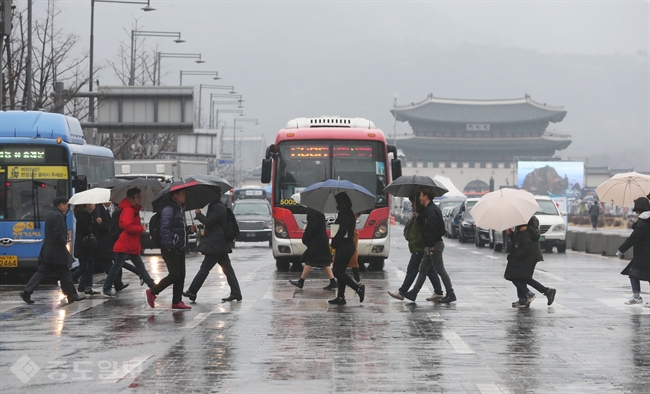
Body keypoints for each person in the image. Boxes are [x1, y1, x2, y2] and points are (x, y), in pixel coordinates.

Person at [19, 196, 86, 304]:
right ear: (61, 205)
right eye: (66, 205)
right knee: (65, 273)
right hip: (57, 251)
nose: (67, 208)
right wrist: (64, 243)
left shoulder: (50, 214)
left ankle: (27, 292)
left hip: (48, 250)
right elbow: (58, 233)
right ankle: (72, 295)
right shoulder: (58, 216)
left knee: (42, 272)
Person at [183, 194, 242, 302]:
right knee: (228, 270)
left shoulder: (218, 207)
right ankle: (236, 293)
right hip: (219, 244)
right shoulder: (216, 206)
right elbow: (211, 223)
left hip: (216, 245)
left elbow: (208, 221)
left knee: (204, 269)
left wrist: (199, 214)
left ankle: (192, 291)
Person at [402, 186, 455, 303]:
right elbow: (427, 225)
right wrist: (419, 217)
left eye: (421, 195)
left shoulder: (431, 211)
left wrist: (431, 245)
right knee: (423, 270)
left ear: (426, 196)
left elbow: (435, 229)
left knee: (440, 270)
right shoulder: (429, 210)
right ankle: (413, 293)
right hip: (430, 245)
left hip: (434, 245)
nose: (419, 197)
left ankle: (451, 293)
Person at [146, 189, 196, 310]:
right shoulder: (169, 209)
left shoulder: (179, 208)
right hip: (171, 247)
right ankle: (152, 292)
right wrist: (169, 245)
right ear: (175, 195)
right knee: (174, 275)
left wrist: (189, 230)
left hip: (179, 246)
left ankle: (177, 301)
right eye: (183, 193)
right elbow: (165, 229)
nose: (185, 195)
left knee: (181, 275)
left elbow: (178, 228)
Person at [388, 195, 444, 301]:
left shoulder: (424, 214)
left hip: (420, 248)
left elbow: (425, 232)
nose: (411, 205)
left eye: (413, 202)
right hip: (419, 247)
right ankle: (438, 291)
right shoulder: (417, 215)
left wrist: (415, 241)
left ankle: (402, 291)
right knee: (429, 270)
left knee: (413, 269)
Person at [103, 188, 156, 297]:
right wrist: (141, 228)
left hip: (131, 244)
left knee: (138, 266)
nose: (140, 199)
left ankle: (152, 286)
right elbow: (127, 226)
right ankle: (106, 288)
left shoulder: (133, 209)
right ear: (131, 198)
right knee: (117, 266)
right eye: (138, 197)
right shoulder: (129, 210)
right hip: (126, 244)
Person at [504, 217, 556, 307]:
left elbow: (536, 236)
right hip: (523, 255)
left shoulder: (532, 220)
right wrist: (510, 234)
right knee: (520, 276)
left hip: (531, 255)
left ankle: (545, 291)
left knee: (523, 277)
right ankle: (523, 299)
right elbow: (517, 241)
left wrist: (528, 228)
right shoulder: (519, 222)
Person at [328, 192, 365, 305]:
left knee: (337, 271)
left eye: (337, 201)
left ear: (341, 202)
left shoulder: (345, 214)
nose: (335, 204)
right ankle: (340, 297)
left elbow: (342, 230)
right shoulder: (347, 213)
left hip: (345, 246)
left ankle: (357, 287)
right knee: (340, 271)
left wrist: (334, 242)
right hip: (346, 246)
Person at [289, 206, 336, 290]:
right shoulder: (319, 211)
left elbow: (312, 227)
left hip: (317, 240)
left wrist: (306, 236)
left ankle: (301, 282)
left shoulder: (314, 212)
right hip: (321, 239)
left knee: (309, 260)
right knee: (325, 261)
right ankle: (333, 281)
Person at [618, 196, 650, 307]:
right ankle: (636, 297)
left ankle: (636, 297)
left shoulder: (643, 222)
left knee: (633, 272)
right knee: (634, 272)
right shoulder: (644, 221)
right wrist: (635, 225)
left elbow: (634, 238)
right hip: (644, 254)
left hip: (644, 254)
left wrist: (621, 249)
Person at [93, 202, 129, 293]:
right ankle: (116, 284)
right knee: (108, 264)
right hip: (101, 242)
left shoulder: (112, 209)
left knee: (113, 263)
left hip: (110, 241)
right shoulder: (98, 210)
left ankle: (118, 284)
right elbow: (98, 226)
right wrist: (104, 225)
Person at [71, 204, 99, 295]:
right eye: (92, 204)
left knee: (90, 267)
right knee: (83, 267)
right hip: (84, 245)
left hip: (87, 245)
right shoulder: (83, 215)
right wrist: (95, 223)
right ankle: (67, 281)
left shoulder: (87, 214)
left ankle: (88, 287)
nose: (93, 205)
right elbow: (87, 229)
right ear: (87, 205)